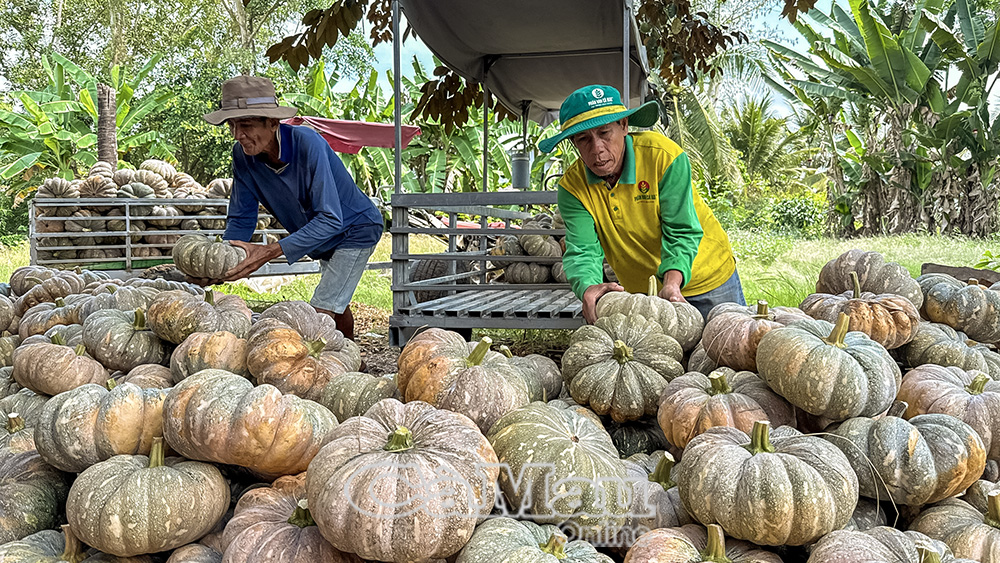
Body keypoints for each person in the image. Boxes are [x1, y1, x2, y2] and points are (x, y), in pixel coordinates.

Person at [537, 84, 744, 323]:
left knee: (731, 350)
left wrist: (672, 283)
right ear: (574, 143)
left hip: (707, 278)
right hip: (645, 295)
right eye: (583, 139)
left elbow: (680, 229)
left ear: (623, 126)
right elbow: (583, 251)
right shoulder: (572, 188)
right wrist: (589, 287)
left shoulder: (663, 157)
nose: (597, 149)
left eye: (604, 133)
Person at [201, 75, 384, 340]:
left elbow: (331, 219)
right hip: (321, 237)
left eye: (247, 125)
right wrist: (220, 264)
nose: (238, 135)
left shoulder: (309, 144)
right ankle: (353, 362)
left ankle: (336, 365)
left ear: (273, 123)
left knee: (319, 311)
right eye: (232, 125)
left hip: (355, 228)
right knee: (336, 300)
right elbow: (241, 217)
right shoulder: (242, 156)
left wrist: (269, 252)